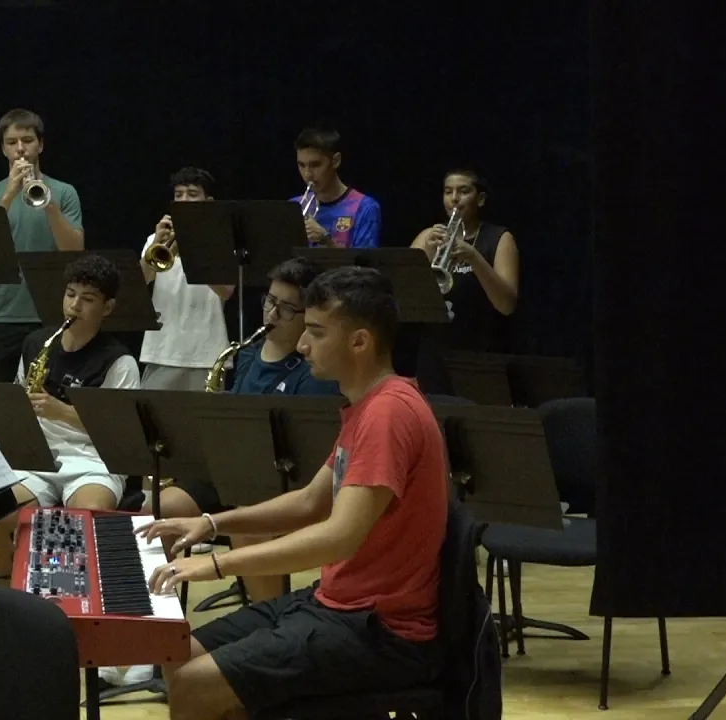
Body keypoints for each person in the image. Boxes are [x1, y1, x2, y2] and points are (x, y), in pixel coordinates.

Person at [140, 266, 447, 720]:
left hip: (381, 630)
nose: (302, 345)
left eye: (317, 333)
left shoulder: (389, 414)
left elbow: (338, 537)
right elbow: (309, 502)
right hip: (337, 605)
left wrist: (216, 562)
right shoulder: (367, 406)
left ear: (359, 342)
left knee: (192, 685)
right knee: (177, 653)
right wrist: (211, 523)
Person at [102, 258, 342, 691]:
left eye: (287, 308)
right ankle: (148, 639)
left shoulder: (315, 372)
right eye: (271, 301)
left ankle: (273, 637)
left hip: (282, 482)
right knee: (156, 516)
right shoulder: (246, 354)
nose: (272, 314)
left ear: (310, 316)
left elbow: (312, 454)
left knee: (252, 530)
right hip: (229, 473)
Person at [0, 254, 141, 578]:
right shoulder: (37, 343)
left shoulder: (119, 361)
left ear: (107, 308)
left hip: (93, 460)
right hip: (38, 456)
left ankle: (76, 603)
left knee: (87, 516)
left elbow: (122, 433)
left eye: (88, 299)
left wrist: (63, 412)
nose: (75, 306)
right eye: (70, 294)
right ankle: (11, 593)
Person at [0, 108, 85, 383]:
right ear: (3, 149)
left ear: (41, 145)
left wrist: (49, 204)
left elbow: (73, 251)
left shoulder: (64, 192)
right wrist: (10, 192)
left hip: (52, 313)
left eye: (27, 140)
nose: (20, 149)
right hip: (4, 316)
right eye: (12, 143)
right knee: (1, 403)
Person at [410, 170, 519, 394]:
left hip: (481, 352)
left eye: (464, 191)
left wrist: (474, 258)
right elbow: (404, 297)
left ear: (480, 199)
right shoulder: (429, 236)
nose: (454, 198)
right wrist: (427, 252)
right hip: (434, 353)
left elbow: (507, 305)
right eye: (448, 192)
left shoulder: (498, 238)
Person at [139, 167, 233, 391]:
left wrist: (193, 251)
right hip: (161, 349)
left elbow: (227, 291)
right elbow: (138, 283)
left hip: (207, 353)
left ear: (208, 202)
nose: (183, 200)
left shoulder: (221, 240)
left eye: (192, 194)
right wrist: (155, 246)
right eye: (179, 194)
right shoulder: (156, 238)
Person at [291, 127, 382, 249]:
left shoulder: (365, 207)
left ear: (336, 161)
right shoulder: (294, 206)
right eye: (301, 165)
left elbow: (364, 266)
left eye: (315, 165)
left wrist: (326, 240)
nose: (307, 174)